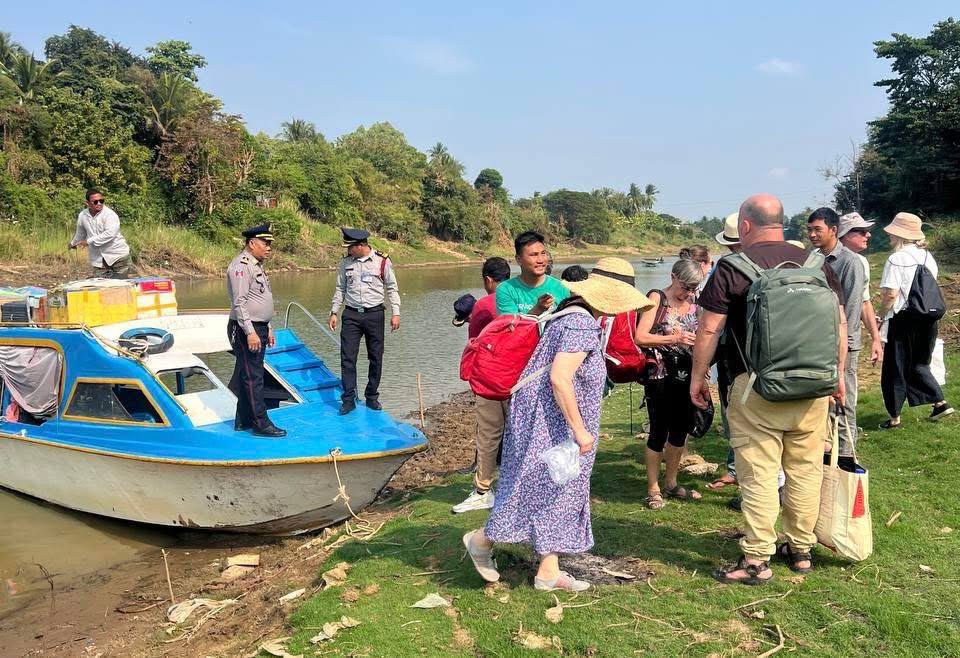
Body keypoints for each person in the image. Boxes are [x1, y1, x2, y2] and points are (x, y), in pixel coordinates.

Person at [463, 258, 653, 591]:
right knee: (540, 486)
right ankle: (481, 540)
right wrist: (580, 430)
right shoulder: (581, 325)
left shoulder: (570, 313)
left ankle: (548, 571)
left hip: (543, 416)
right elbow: (560, 378)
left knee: (556, 488)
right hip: (550, 422)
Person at [691, 194, 847, 584]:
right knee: (805, 470)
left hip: (755, 386)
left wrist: (698, 378)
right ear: (782, 222)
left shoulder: (732, 267)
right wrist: (838, 376)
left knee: (759, 474)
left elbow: (709, 328)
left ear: (745, 226)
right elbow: (840, 324)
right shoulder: (816, 264)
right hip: (813, 386)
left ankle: (757, 559)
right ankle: (800, 549)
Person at [634, 258, 704, 509]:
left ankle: (671, 482)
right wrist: (675, 338)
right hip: (660, 376)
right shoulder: (656, 298)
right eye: (686, 287)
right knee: (658, 430)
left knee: (680, 431)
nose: (689, 292)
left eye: (694, 288)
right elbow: (640, 337)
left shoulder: (695, 303)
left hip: (687, 374)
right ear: (673, 277)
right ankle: (653, 488)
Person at [877, 212, 954, 428]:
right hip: (928, 317)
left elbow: (891, 294)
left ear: (900, 235)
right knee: (919, 362)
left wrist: (880, 316)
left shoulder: (896, 259)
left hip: (904, 318)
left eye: (892, 233)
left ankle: (895, 418)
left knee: (894, 366)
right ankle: (940, 403)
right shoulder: (928, 257)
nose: (890, 236)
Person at [453, 256, 512, 514]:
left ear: (488, 280)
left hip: (492, 379)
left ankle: (483, 491)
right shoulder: (526, 298)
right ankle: (518, 486)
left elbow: (474, 342)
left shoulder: (485, 304)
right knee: (519, 431)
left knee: (489, 433)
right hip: (522, 376)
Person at [807, 207, 867, 457]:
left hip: (844, 343)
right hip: (819, 343)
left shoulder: (850, 262)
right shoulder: (812, 260)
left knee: (844, 399)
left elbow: (852, 310)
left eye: (817, 229)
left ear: (833, 230)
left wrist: (844, 347)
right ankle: (826, 451)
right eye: (809, 230)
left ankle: (845, 456)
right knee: (822, 400)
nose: (812, 234)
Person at [329, 228, 402, 415]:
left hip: (375, 314)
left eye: (350, 247)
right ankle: (348, 399)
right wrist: (334, 312)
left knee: (376, 357)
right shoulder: (346, 263)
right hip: (351, 315)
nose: (348, 250)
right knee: (347, 357)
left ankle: (371, 396)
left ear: (361, 245)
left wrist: (396, 313)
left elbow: (392, 288)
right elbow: (340, 288)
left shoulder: (382, 261)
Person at [226, 224, 285, 438]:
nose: (269, 248)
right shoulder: (241, 266)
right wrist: (250, 332)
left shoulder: (256, 265)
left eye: (270, 244)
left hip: (257, 326)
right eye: (265, 243)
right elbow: (240, 302)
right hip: (245, 328)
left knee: (248, 374)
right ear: (252, 243)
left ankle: (243, 421)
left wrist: (267, 327)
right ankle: (261, 423)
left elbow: (259, 299)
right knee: (254, 377)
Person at [707, 213, 741, 492]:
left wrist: (700, 368)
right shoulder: (778, 262)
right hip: (765, 357)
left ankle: (742, 474)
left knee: (735, 415)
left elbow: (709, 321)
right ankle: (736, 468)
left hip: (733, 355)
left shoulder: (726, 268)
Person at [496, 232, 570, 316]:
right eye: (534, 255)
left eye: (543, 253)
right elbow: (510, 324)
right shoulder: (506, 289)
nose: (540, 260)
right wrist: (537, 310)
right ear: (519, 259)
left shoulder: (562, 288)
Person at [68, 189, 131, 278]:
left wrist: (88, 241)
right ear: (87, 203)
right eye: (95, 202)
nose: (99, 203)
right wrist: (73, 243)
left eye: (101, 201)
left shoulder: (110, 215)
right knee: (99, 284)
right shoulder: (83, 215)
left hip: (117, 256)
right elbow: (80, 233)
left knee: (120, 284)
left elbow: (110, 234)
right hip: (98, 259)